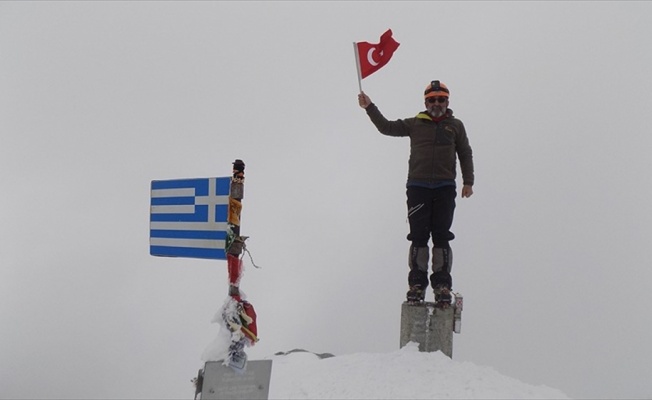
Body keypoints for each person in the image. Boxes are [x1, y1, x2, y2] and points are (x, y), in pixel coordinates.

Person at [358, 80, 474, 306]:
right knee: (419, 236)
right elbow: (387, 127)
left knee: (441, 235)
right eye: (432, 100)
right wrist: (370, 107)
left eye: (441, 99)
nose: (437, 103)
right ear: (426, 102)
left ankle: (442, 285)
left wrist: (468, 181)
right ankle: (417, 284)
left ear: (447, 101)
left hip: (445, 186)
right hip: (418, 187)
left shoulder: (455, 125)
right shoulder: (415, 123)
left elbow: (465, 153)